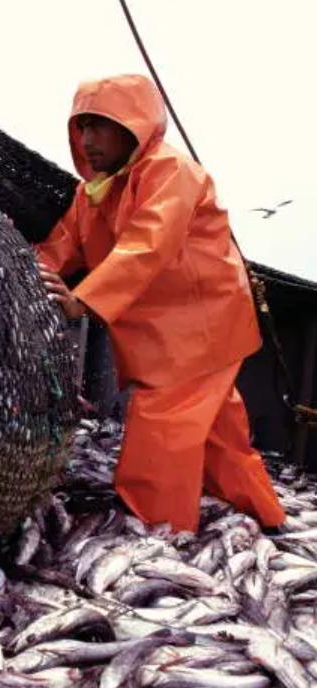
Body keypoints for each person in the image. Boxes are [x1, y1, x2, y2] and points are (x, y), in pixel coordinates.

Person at [35, 74, 286, 534]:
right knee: (220, 437)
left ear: (134, 126)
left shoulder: (173, 172)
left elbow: (147, 245)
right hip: (169, 337)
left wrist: (81, 302)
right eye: (82, 127)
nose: (88, 140)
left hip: (198, 332)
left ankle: (158, 533)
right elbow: (64, 242)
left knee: (162, 431)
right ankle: (267, 518)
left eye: (101, 126)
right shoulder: (93, 190)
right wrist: (27, 269)